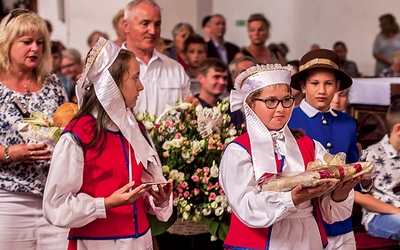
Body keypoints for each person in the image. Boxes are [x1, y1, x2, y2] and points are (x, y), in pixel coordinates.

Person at [43, 37, 173, 250]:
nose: (141, 87)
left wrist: (157, 198)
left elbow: (141, 188)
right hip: (98, 243)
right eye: (135, 78)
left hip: (140, 241)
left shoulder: (135, 129)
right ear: (111, 84)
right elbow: (55, 206)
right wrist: (105, 204)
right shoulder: (79, 135)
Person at [220, 63, 356, 249]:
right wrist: (292, 199)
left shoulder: (310, 145)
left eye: (286, 100)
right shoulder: (239, 151)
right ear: (251, 104)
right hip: (262, 242)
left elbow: (331, 213)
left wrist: (340, 193)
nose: (280, 109)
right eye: (270, 101)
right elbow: (246, 207)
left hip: (307, 237)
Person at [0, 9, 68, 249]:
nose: (35, 48)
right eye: (27, 42)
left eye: (40, 42)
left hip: (54, 197)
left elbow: (68, 130)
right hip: (9, 198)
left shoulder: (52, 83)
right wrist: (9, 153)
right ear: (7, 43)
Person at [288, 49, 360, 250]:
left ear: (337, 86)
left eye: (328, 83)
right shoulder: (288, 121)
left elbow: (354, 167)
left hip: (342, 225)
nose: (322, 90)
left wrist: (365, 178)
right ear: (302, 86)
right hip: (304, 224)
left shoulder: (347, 123)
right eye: (314, 83)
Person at [123, 0, 194, 117]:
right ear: (126, 26)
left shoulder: (175, 69)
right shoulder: (111, 67)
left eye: (157, 24)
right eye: (145, 23)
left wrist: (192, 109)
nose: (153, 31)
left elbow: (187, 111)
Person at [358, 100, 400, 241]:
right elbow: (358, 194)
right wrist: (396, 211)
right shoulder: (371, 154)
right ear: (398, 129)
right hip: (379, 216)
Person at [196, 58, 244, 131]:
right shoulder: (190, 108)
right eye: (216, 77)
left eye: (225, 78)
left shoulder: (232, 110)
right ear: (201, 78)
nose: (222, 82)